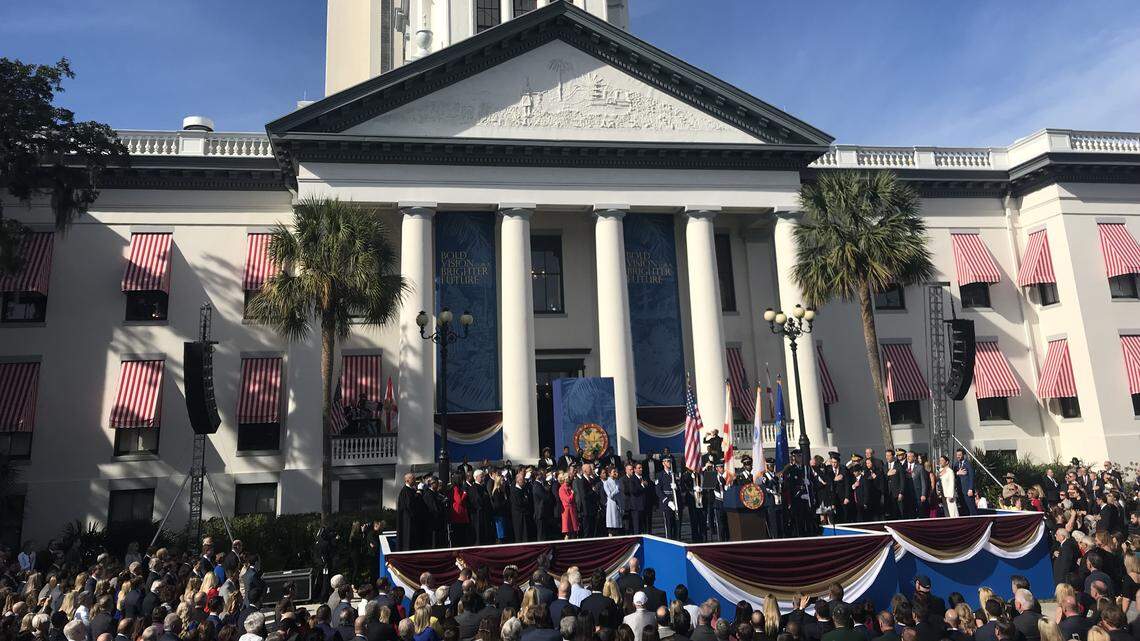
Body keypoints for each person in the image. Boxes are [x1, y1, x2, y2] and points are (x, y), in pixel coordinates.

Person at [657, 459, 680, 540]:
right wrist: (667, 501)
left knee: (676, 526)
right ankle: (669, 542)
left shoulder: (674, 474)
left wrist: (677, 487)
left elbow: (680, 488)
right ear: (663, 463)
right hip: (667, 503)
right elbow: (658, 490)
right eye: (667, 461)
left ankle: (677, 542)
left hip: (676, 502)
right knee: (669, 525)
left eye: (670, 461)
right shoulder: (660, 475)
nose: (669, 463)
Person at [604, 467, 624, 536]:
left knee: (618, 525)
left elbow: (621, 494)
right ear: (609, 473)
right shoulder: (606, 483)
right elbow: (610, 495)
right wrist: (617, 489)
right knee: (612, 524)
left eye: (616, 471)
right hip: (611, 505)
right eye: (614, 472)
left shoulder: (618, 482)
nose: (616, 473)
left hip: (618, 505)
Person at [559, 472, 579, 539]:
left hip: (572, 510)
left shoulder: (569, 487)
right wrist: (572, 494)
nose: (569, 478)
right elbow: (568, 500)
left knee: (574, 531)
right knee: (568, 531)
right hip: (567, 511)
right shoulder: (562, 488)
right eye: (567, 477)